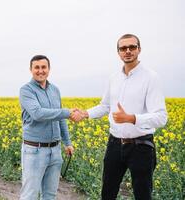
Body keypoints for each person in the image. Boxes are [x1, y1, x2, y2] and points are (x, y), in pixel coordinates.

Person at [77, 34, 167, 199]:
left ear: (139, 49)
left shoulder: (150, 77)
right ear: (118, 52)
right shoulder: (113, 78)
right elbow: (105, 106)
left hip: (141, 146)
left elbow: (161, 117)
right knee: (107, 192)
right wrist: (86, 114)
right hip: (114, 145)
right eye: (123, 48)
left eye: (132, 47)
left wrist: (132, 118)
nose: (127, 51)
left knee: (143, 195)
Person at [19, 55, 80, 200]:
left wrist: (67, 142)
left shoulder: (55, 90)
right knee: (30, 195)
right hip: (35, 151)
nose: (40, 71)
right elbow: (38, 114)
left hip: (55, 150)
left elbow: (59, 118)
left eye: (43, 67)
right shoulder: (26, 90)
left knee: (50, 196)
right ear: (31, 70)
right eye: (37, 67)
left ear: (49, 69)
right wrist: (67, 112)